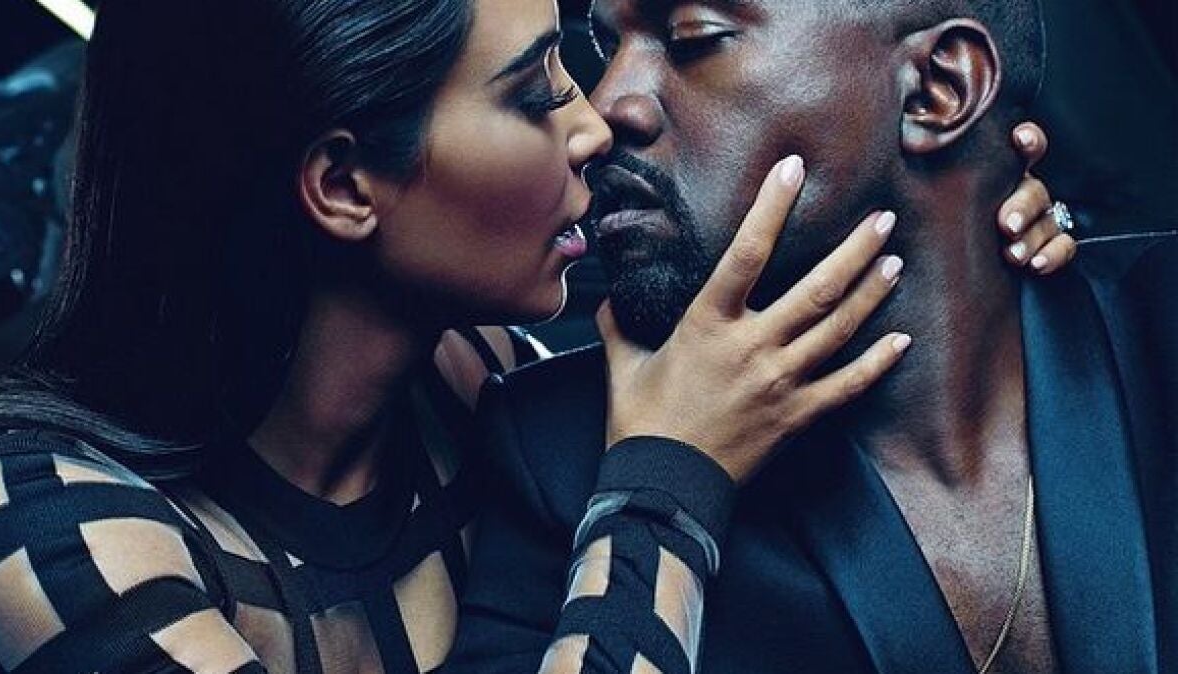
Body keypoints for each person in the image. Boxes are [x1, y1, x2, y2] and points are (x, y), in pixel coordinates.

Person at [0, 0, 1073, 673]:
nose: (596, 120)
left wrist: (970, 228)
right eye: (532, 93)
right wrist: (668, 477)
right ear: (345, 185)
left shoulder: (490, 394)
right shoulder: (41, 523)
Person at [445, 0, 1176, 672]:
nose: (608, 108)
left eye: (694, 39)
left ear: (938, 90)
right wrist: (666, 482)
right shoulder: (560, 460)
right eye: (608, 50)